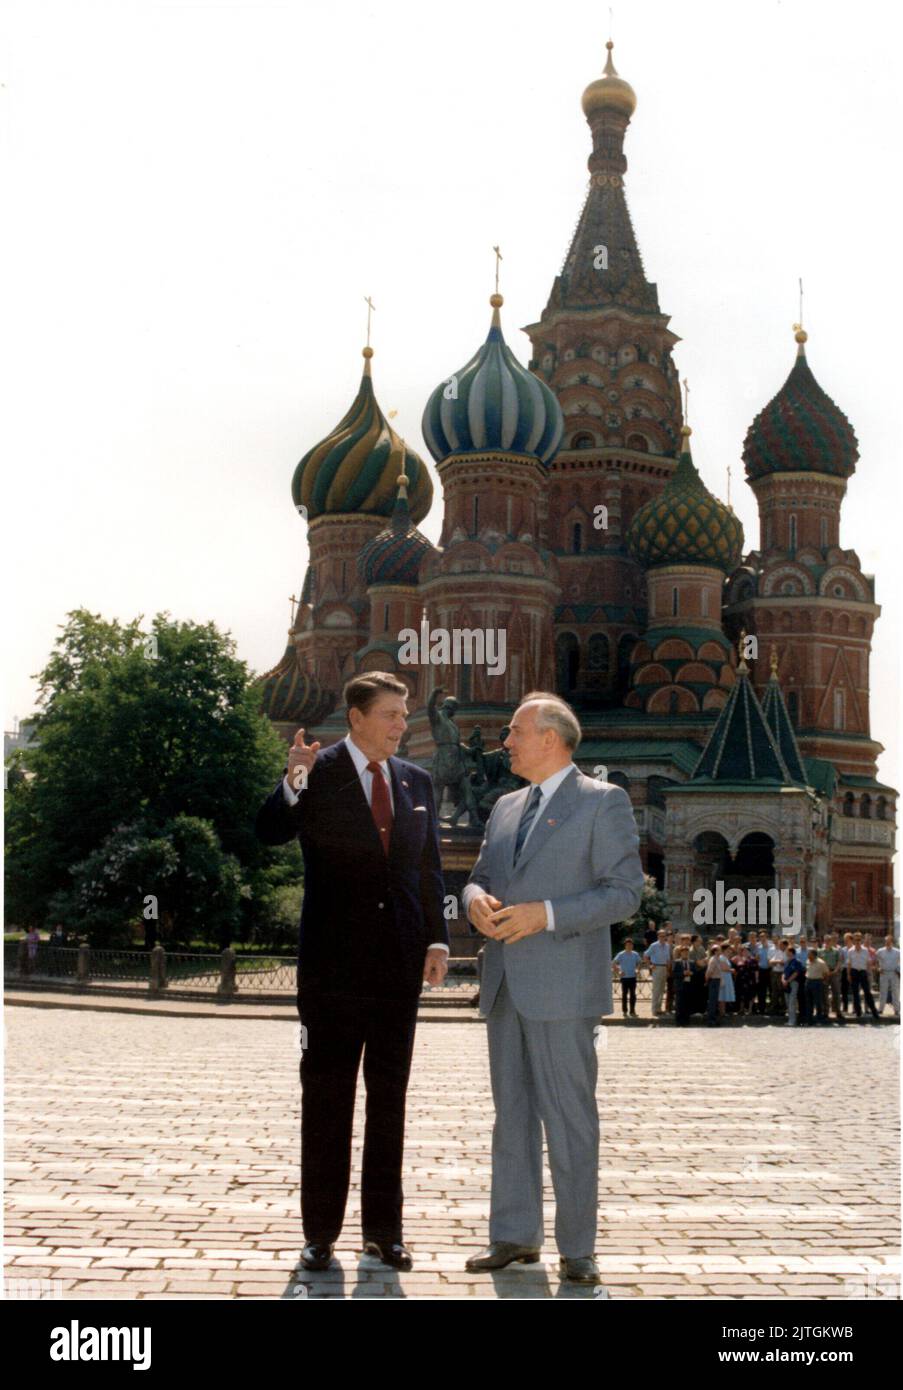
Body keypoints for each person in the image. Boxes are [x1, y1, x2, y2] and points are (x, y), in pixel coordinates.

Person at [255, 672, 449, 1272]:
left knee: (389, 1099)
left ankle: (384, 1232)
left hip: (398, 969)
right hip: (332, 972)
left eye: (405, 714)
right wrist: (293, 779)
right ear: (357, 717)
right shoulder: (318, 772)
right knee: (328, 1098)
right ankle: (320, 1233)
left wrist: (437, 938)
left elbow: (428, 866)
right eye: (391, 714)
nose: (402, 725)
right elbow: (267, 832)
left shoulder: (416, 780)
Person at [462, 692, 644, 1284]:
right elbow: (481, 877)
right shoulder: (506, 806)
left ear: (551, 738)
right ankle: (513, 1236)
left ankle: (578, 1248)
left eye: (514, 731)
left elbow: (624, 894)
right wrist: (474, 901)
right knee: (510, 1115)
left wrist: (547, 913)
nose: (505, 742)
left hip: (564, 986)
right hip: (505, 985)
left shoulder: (603, 801)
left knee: (570, 1117)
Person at [847, 932, 880, 1023]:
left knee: (867, 993)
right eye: (856, 940)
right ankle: (858, 1012)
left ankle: (874, 1011)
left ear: (861, 940)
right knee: (855, 993)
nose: (857, 941)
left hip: (862, 972)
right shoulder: (850, 951)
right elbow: (849, 964)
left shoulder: (865, 950)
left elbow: (868, 963)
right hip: (854, 972)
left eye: (859, 940)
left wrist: (869, 974)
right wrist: (848, 974)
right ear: (853, 940)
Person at [643, 928, 671, 1018]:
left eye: (664, 936)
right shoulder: (654, 945)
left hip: (664, 968)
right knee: (656, 990)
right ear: (658, 936)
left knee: (662, 990)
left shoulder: (667, 946)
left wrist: (668, 970)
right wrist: (650, 966)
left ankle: (659, 1008)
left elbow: (668, 959)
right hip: (657, 967)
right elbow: (645, 955)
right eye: (661, 936)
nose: (663, 937)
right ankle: (654, 1009)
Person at [819, 935, 845, 1022]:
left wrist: (835, 971)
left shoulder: (836, 951)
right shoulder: (820, 951)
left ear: (831, 942)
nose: (827, 942)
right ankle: (825, 1012)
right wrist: (824, 972)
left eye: (829, 941)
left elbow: (839, 961)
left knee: (836, 993)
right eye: (826, 941)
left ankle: (837, 1011)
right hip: (824, 974)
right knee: (824, 993)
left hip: (834, 973)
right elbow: (819, 962)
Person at [613, 939, 640, 1017]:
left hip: (632, 977)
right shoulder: (621, 954)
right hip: (624, 977)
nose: (629, 946)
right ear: (625, 946)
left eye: (631, 945)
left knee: (633, 994)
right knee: (624, 994)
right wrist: (619, 972)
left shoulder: (635, 954)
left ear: (632, 946)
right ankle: (624, 1011)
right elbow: (613, 963)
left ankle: (632, 1010)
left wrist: (637, 969)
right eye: (628, 945)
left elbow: (639, 963)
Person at [876, 935, 900, 1018]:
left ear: (892, 942)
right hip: (884, 973)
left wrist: (899, 970)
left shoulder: (898, 952)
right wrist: (878, 968)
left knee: (895, 992)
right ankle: (880, 1009)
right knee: (883, 991)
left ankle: (897, 1010)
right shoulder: (880, 951)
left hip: (894, 973)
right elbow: (875, 961)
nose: (887, 943)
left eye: (889, 941)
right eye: (886, 941)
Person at [804, 949, 829, 1025]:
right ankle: (809, 1020)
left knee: (818, 1002)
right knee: (808, 1002)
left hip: (817, 982)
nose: (808, 956)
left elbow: (826, 973)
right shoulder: (807, 961)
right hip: (808, 981)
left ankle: (819, 1020)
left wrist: (823, 981)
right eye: (808, 954)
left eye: (810, 955)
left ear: (814, 955)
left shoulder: (821, 963)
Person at [782, 946, 806, 1027]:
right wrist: (783, 980)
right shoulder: (787, 962)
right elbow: (784, 973)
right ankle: (790, 1020)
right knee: (788, 1002)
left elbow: (796, 973)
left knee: (792, 1002)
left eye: (787, 951)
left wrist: (788, 981)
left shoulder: (797, 962)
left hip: (793, 983)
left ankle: (793, 1021)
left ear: (791, 952)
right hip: (786, 984)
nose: (785, 952)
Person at [672, 945, 692, 1025]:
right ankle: (679, 1021)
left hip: (689, 985)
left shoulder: (691, 962)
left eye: (687, 952)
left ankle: (686, 1020)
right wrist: (683, 973)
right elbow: (674, 974)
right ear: (681, 953)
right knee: (679, 1003)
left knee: (687, 1003)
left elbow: (695, 971)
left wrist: (691, 973)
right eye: (684, 952)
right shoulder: (677, 962)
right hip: (680, 985)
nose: (685, 954)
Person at [705, 946, 723, 1026]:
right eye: (719, 950)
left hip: (717, 980)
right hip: (713, 981)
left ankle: (714, 1019)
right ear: (715, 951)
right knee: (712, 1001)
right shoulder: (713, 960)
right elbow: (709, 972)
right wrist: (707, 980)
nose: (721, 951)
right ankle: (710, 1020)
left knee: (715, 1001)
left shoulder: (718, 959)